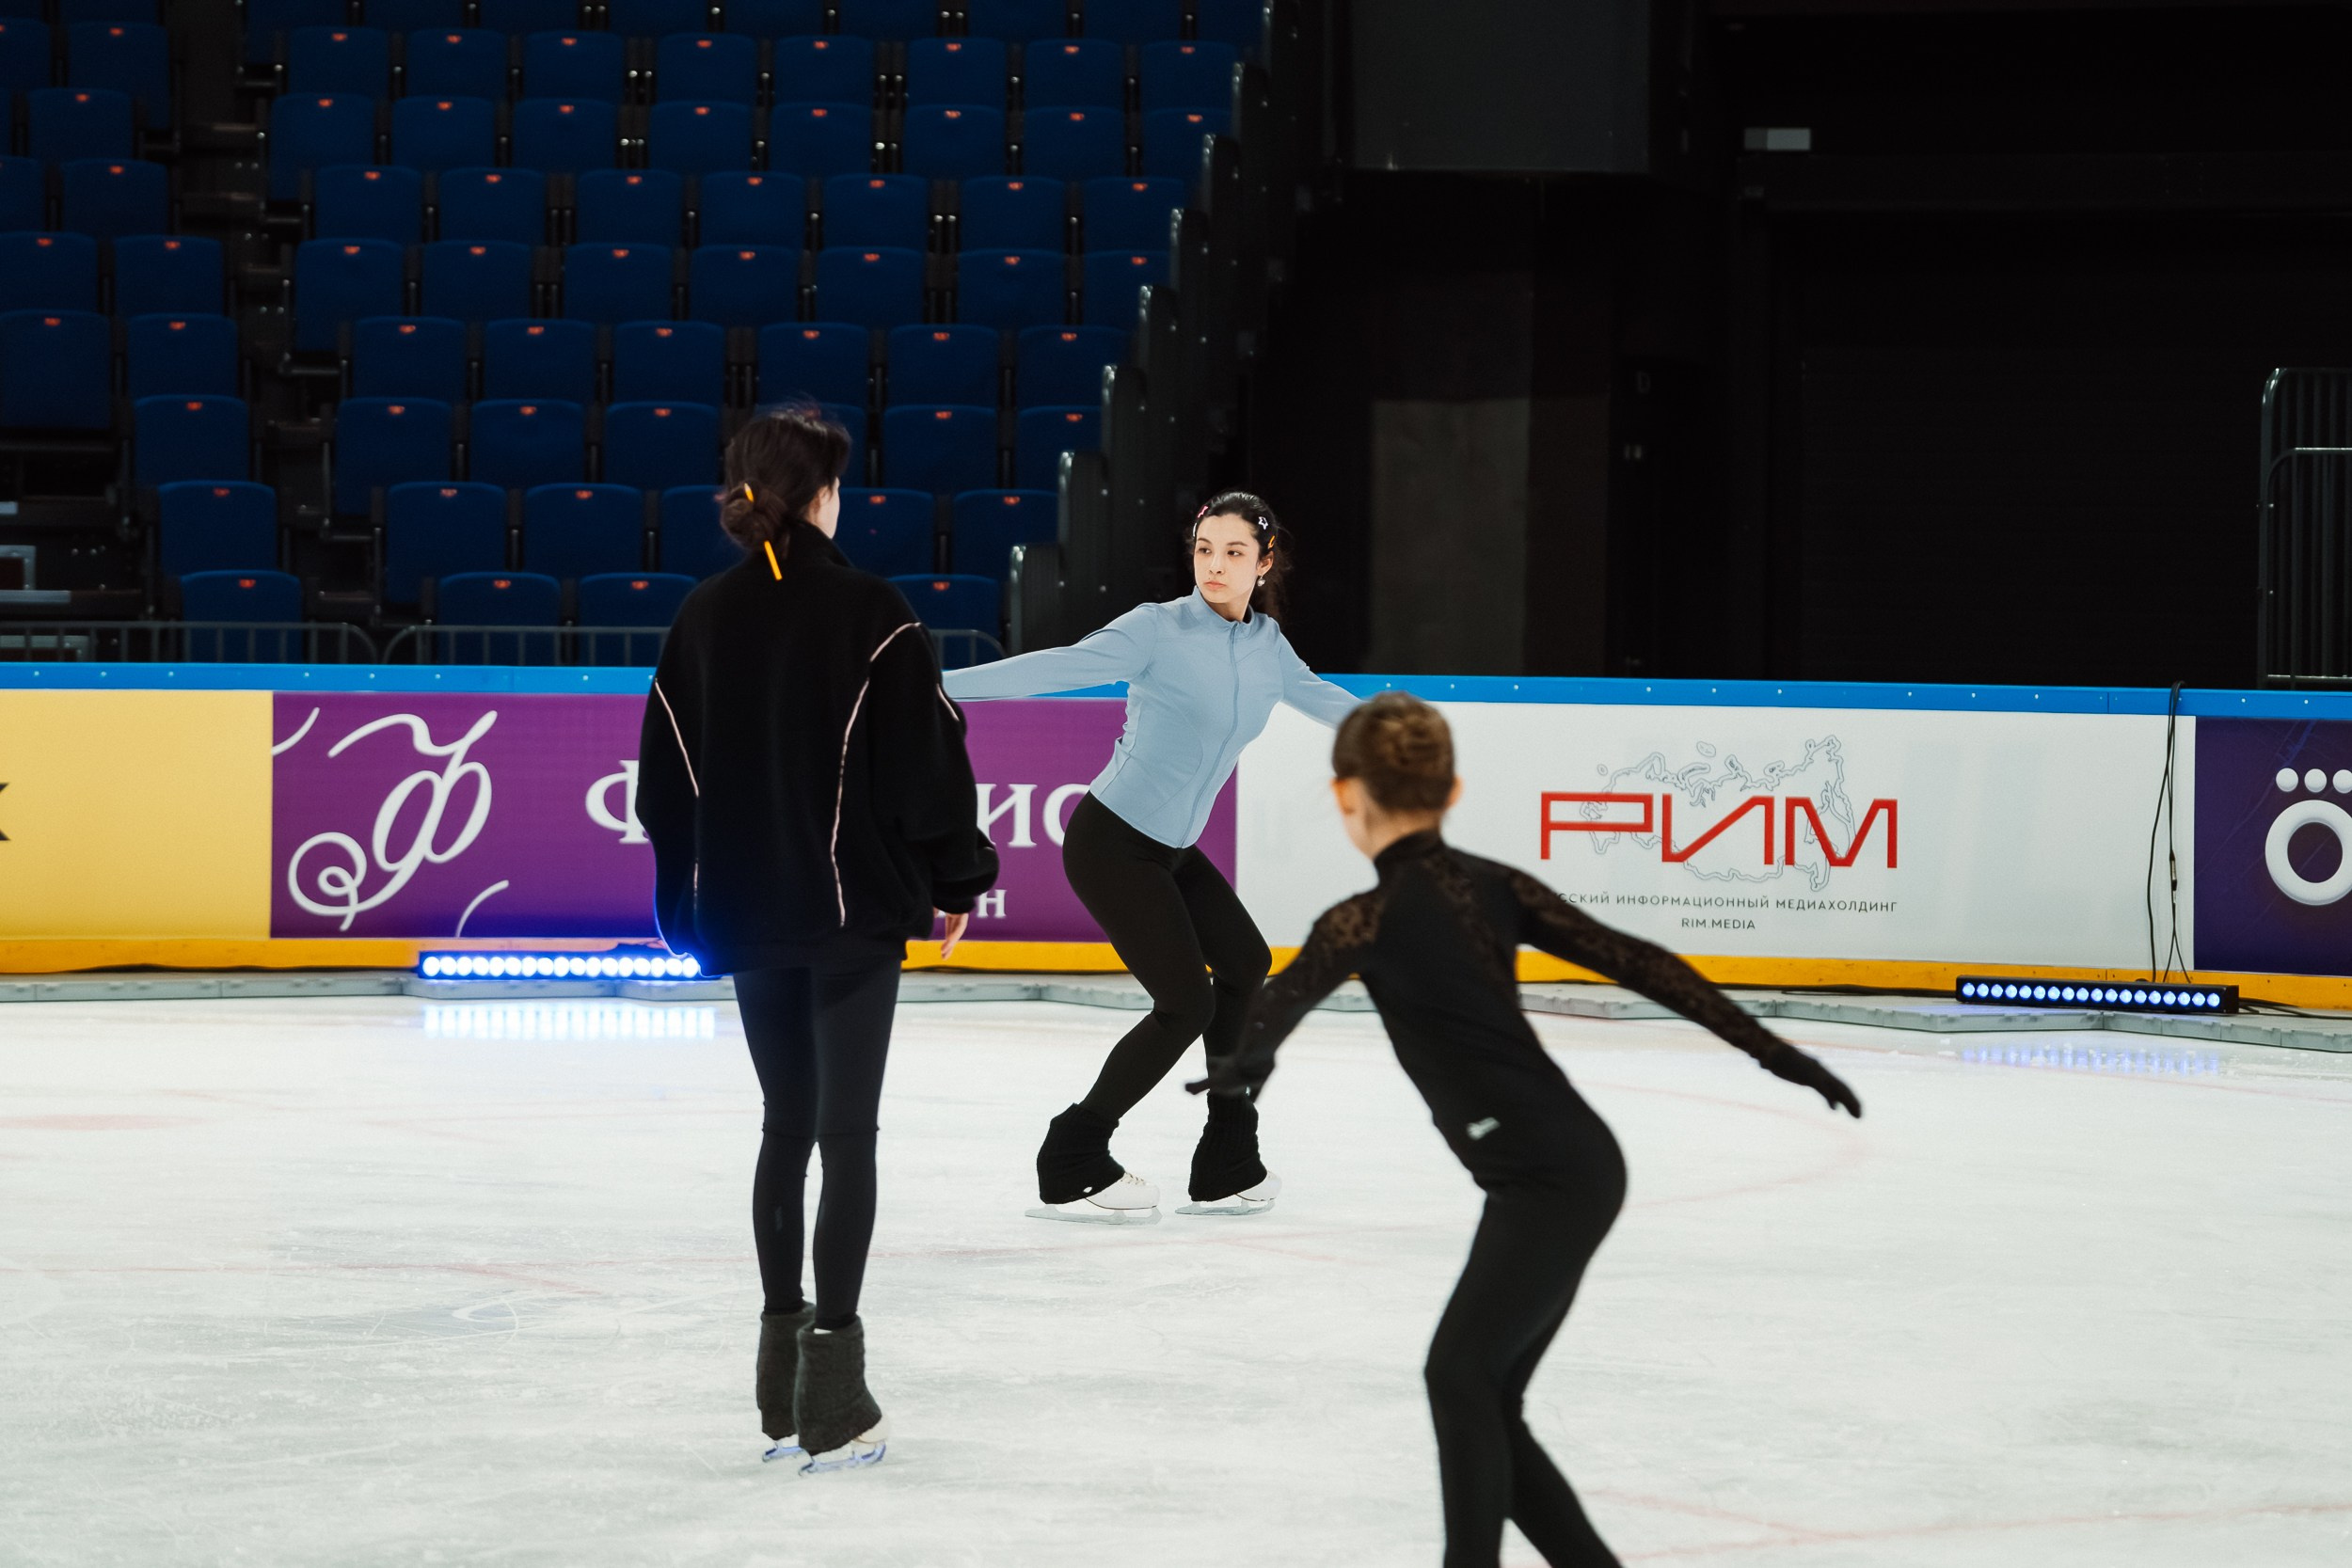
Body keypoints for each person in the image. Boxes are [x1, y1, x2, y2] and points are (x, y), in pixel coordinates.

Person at [1192, 692, 1862, 1568]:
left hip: (1549, 1178)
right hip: (1571, 1163)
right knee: (1485, 1393)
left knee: (1460, 1376)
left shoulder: (1362, 918)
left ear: (1344, 795)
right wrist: (1776, 1053)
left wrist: (1248, 1065)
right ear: (1454, 789)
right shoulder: (1492, 886)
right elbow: (1644, 963)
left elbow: (1280, 1000)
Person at [635, 408, 999, 1477]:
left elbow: (664, 789)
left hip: (749, 915)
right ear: (820, 495)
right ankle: (831, 1393)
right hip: (850, 921)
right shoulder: (872, 611)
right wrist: (960, 876)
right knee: (846, 1135)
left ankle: (777, 1379)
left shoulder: (700, 617)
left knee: (785, 1129)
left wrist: (686, 906)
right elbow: (928, 775)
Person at [943, 492, 1359, 1224]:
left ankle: (1228, 1156)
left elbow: (1331, 704)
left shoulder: (1268, 647)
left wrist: (1413, 729)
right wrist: (937, 686)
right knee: (1186, 1003)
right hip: (1111, 842)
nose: (1215, 565)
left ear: (1264, 564)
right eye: (1204, 549)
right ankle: (1073, 1153)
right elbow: (1056, 667)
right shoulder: (1155, 629)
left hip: (1173, 848)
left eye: (1234, 552)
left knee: (1245, 963)